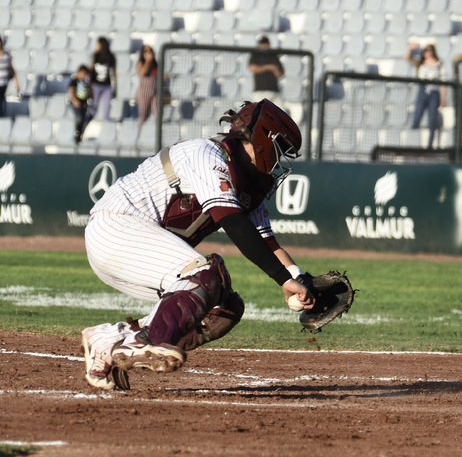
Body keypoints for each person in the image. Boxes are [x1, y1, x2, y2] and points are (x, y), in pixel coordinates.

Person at [79, 99, 317, 391]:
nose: (281, 161)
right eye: (281, 150)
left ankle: (107, 341)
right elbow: (233, 223)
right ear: (263, 140)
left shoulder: (248, 184)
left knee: (224, 307)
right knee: (205, 275)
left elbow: (267, 242)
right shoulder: (206, 154)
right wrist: (282, 279)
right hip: (116, 228)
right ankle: (144, 341)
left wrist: (299, 280)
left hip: (135, 247)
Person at [404, 41, 446, 148]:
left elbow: (443, 83)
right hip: (422, 92)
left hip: (434, 93)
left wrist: (443, 97)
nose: (426, 53)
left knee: (432, 120)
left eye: (428, 50)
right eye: (424, 51)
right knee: (417, 117)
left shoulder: (439, 65)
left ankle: (430, 145)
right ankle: (412, 144)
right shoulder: (420, 64)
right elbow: (406, 58)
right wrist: (410, 48)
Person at [89, 36, 117, 122]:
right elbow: (91, 70)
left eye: (97, 44)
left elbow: (114, 73)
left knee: (107, 108)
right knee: (94, 106)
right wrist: (90, 84)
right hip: (96, 85)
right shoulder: (95, 56)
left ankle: (106, 124)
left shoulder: (111, 57)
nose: (96, 46)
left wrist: (115, 88)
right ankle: (87, 122)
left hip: (107, 86)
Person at [248, 35, 284, 102]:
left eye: (265, 43)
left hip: (274, 90)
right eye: (261, 43)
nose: (263, 45)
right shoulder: (256, 54)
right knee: (260, 108)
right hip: (260, 90)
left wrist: (274, 69)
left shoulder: (273, 55)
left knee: (280, 108)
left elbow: (280, 73)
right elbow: (252, 68)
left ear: (268, 44)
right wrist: (267, 67)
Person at [135, 44, 159, 128]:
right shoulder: (141, 64)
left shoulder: (155, 65)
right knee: (143, 116)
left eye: (150, 51)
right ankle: (139, 131)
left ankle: (157, 130)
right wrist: (148, 61)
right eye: (145, 51)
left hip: (154, 92)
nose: (148, 53)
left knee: (157, 112)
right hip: (144, 93)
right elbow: (143, 72)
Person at [69, 64, 93, 144]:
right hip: (76, 104)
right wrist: (74, 100)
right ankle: (76, 133)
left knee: (83, 119)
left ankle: (80, 135)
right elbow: (71, 91)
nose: (83, 76)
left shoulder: (86, 82)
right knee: (79, 118)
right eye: (82, 74)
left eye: (85, 74)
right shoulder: (75, 81)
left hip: (84, 104)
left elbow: (88, 91)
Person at [0, 37, 22, 118]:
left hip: (3, 83)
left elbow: (11, 69)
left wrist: (17, 82)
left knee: (1, 98)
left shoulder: (6, 55)